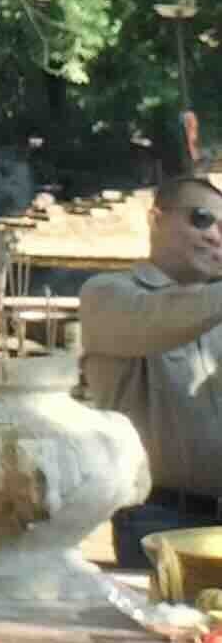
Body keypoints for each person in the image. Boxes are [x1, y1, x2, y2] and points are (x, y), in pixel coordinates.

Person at [77, 162, 222, 579]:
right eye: (201, 218)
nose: (214, 234)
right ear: (156, 219)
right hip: (160, 517)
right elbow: (160, 318)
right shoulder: (107, 295)